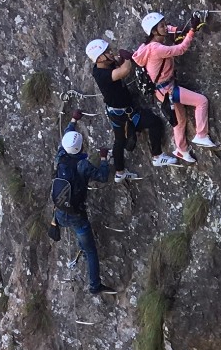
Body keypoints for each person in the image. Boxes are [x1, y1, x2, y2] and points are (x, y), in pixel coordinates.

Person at [133, 11, 218, 162]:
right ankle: (201, 134)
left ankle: (181, 149)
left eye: (165, 24)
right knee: (201, 101)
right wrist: (191, 31)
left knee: (180, 121)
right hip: (169, 90)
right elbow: (180, 49)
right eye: (162, 26)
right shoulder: (157, 49)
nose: (166, 27)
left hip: (161, 91)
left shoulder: (146, 45)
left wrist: (180, 29)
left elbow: (170, 30)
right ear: (154, 31)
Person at [86, 36, 172, 175]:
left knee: (120, 140)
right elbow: (124, 70)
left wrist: (124, 56)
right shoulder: (101, 74)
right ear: (100, 58)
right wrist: (126, 59)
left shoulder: (105, 64)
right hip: (123, 114)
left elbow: (118, 62)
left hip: (119, 112)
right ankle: (157, 156)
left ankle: (120, 172)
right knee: (154, 123)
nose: (111, 53)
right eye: (107, 52)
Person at [51, 129, 116, 294]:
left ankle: (82, 246)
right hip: (76, 215)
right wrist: (103, 159)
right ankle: (94, 286)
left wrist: (73, 121)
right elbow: (102, 176)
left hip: (59, 212)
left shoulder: (60, 157)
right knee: (91, 251)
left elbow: (66, 138)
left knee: (82, 237)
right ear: (80, 147)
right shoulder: (83, 165)